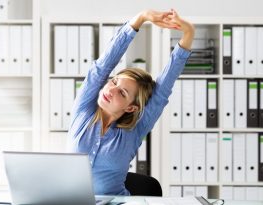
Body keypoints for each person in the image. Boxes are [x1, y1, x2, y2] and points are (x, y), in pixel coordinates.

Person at [68, 9, 194, 195]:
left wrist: (189, 32)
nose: (111, 90)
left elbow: (162, 90)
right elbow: (102, 67)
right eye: (114, 81)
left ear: (131, 107)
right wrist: (140, 18)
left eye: (122, 92)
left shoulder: (134, 131)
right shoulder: (84, 110)